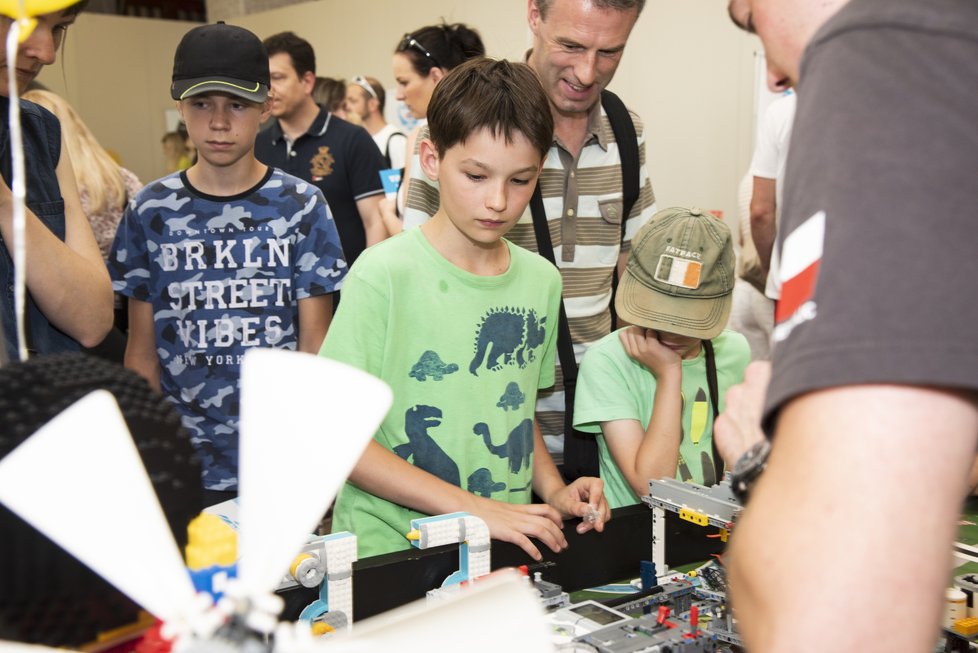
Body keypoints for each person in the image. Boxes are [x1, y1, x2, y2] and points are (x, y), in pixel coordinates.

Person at [716, 0, 978, 651]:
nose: (775, 76)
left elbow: (836, 623)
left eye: (747, 14)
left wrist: (758, 460)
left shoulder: (884, 59)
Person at [319, 57, 609, 560]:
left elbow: (516, 409)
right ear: (431, 159)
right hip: (393, 549)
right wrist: (473, 507)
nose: (497, 200)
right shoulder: (383, 274)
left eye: (520, 181)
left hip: (503, 542)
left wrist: (553, 488)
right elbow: (335, 437)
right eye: (476, 175)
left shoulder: (540, 280)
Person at [402, 0, 657, 472]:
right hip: (487, 433)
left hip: (603, 429)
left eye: (609, 53)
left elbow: (633, 272)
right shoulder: (455, 129)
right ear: (534, 15)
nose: (586, 71)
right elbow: (422, 292)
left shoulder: (626, 132)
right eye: (571, 45)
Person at [109, 22, 347, 505]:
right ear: (180, 107)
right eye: (202, 104)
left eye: (236, 104)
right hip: (183, 464)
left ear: (264, 107)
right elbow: (141, 353)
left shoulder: (301, 205)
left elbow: (315, 346)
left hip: (277, 461)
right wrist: (148, 456)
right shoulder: (149, 211)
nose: (219, 122)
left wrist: (312, 458)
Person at [574, 207, 749, 508]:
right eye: (658, 313)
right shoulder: (607, 360)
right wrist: (670, 374)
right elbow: (652, 486)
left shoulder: (734, 351)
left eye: (688, 319)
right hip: (640, 540)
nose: (671, 331)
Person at [0, 2, 113, 362]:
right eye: (22, 23)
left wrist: (5, 204)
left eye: (58, 29)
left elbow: (93, 320)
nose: (45, 53)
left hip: (36, 403)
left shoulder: (41, 132)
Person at [255, 32, 386, 266]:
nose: (270, 90)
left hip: (343, 292)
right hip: (278, 294)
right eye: (265, 80)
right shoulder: (257, 146)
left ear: (307, 81)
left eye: (278, 77)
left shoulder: (352, 139)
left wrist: (365, 287)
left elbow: (376, 221)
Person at [378, 22, 484, 235]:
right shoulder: (488, 129)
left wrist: (387, 214)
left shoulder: (425, 136)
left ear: (436, 77)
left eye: (404, 82)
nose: (398, 94)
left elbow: (415, 237)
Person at [344, 75, 407, 170]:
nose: (347, 107)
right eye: (345, 103)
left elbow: (403, 183)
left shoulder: (396, 141)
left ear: (372, 104)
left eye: (353, 101)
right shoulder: (355, 140)